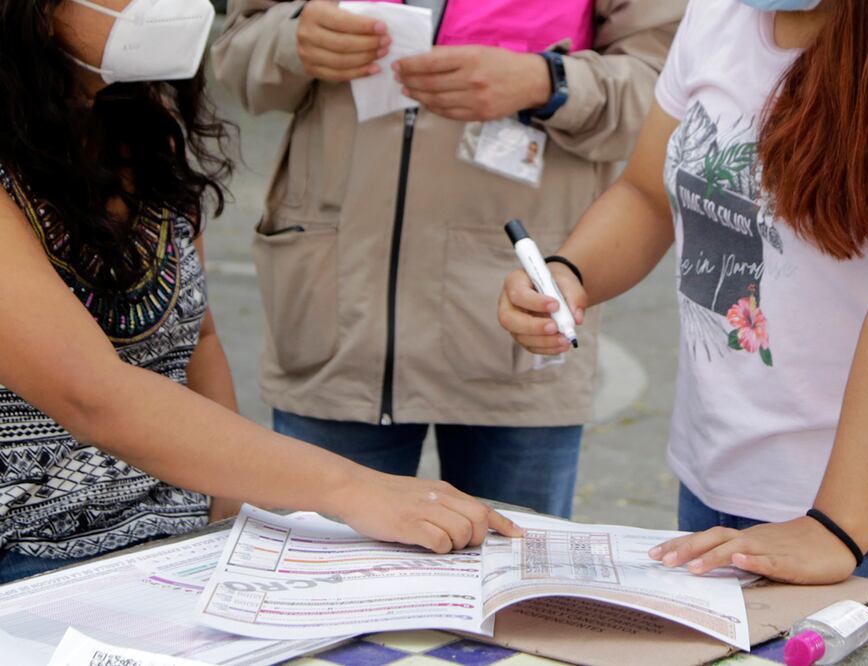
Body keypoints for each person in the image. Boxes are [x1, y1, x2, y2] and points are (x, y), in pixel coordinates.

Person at [0, 0, 521, 586]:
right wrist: (352, 488)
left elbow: (199, 337)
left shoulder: (137, 131)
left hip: (175, 538)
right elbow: (96, 396)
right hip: (32, 556)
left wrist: (228, 508)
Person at [212, 0, 686, 518]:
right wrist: (291, 41)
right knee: (319, 578)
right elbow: (234, 54)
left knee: (512, 584)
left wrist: (548, 82)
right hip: (339, 324)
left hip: (515, 329)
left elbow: (669, 95)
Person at [499, 0, 868, 583]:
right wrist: (568, 271)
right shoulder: (716, 15)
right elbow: (648, 195)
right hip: (715, 486)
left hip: (855, 524)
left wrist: (838, 524)